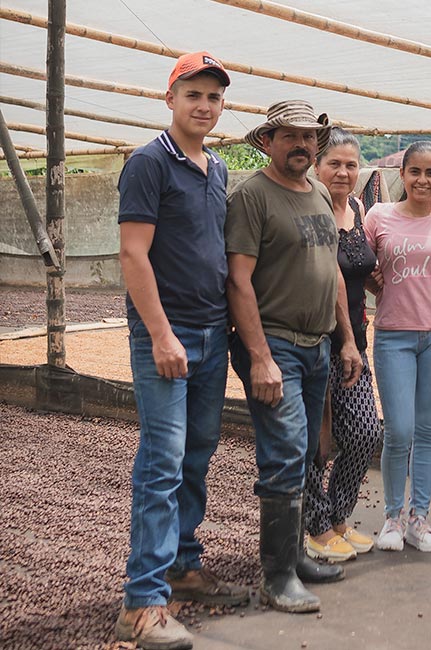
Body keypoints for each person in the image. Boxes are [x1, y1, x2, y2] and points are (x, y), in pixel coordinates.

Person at [115, 51, 248, 650]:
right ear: (170, 99)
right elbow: (133, 255)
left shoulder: (215, 168)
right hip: (166, 337)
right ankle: (142, 603)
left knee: (196, 454)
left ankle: (182, 565)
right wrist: (162, 333)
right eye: (193, 94)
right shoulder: (149, 163)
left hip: (211, 332)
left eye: (214, 98)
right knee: (163, 460)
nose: (204, 106)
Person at [226, 100, 363, 613]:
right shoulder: (252, 197)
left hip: (318, 344)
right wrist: (259, 356)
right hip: (275, 341)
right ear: (268, 140)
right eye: (291, 136)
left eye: (310, 137)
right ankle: (277, 575)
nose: (303, 145)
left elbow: (329, 275)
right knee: (285, 452)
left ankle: (298, 554)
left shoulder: (321, 192)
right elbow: (238, 280)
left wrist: (346, 338)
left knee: (306, 452)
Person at [364, 141, 431, 553]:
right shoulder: (379, 217)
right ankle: (392, 517)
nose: (422, 180)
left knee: (428, 431)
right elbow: (360, 266)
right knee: (399, 430)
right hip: (393, 335)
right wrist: (368, 281)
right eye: (415, 172)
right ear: (403, 175)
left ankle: (419, 519)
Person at [302, 128, 383, 563]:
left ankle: (337, 518)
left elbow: (357, 270)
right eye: (334, 163)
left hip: (354, 343)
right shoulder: (309, 206)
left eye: (351, 164)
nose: (344, 171)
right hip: (315, 341)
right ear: (317, 166)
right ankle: (315, 528)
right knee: (316, 441)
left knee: (365, 432)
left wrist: (378, 282)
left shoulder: (356, 207)